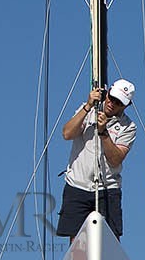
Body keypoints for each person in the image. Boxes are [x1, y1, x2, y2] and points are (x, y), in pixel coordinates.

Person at [57, 78, 137, 239]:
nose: (112, 103)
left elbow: (115, 159)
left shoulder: (128, 127)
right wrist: (87, 107)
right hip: (77, 185)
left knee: (110, 241)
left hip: (107, 188)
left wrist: (103, 132)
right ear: (106, 93)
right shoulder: (88, 111)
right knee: (77, 242)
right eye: (111, 97)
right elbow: (67, 134)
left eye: (118, 102)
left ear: (126, 105)